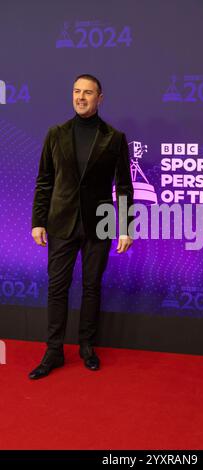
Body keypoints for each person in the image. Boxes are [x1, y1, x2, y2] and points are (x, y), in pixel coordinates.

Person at [29, 74, 134, 379]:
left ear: (100, 99)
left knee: (91, 288)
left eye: (88, 92)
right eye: (76, 91)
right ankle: (53, 352)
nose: (81, 97)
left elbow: (124, 186)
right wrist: (38, 221)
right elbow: (44, 181)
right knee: (57, 288)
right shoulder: (55, 133)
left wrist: (125, 226)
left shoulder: (113, 138)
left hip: (99, 225)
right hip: (60, 222)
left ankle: (87, 347)